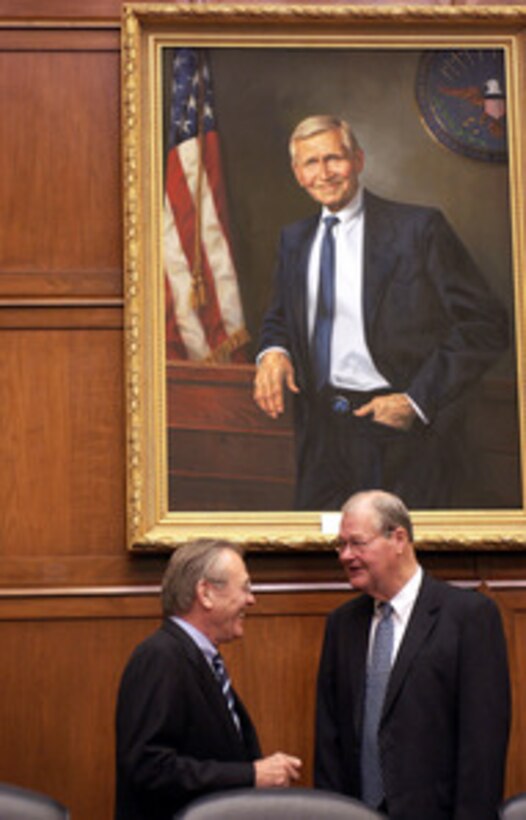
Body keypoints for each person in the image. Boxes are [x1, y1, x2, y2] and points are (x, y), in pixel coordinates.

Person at [254, 114, 509, 510]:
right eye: (311, 163)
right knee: (319, 558)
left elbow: (487, 325)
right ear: (297, 173)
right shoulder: (294, 240)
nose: (324, 173)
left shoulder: (418, 229)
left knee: (394, 559)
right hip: (320, 434)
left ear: (358, 159)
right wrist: (273, 351)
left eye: (333, 158)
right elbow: (281, 318)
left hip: (400, 434)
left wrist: (416, 401)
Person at [314, 489, 510, 819]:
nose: (345, 556)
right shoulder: (342, 624)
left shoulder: (468, 616)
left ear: (399, 538)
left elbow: (483, 745)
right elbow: (329, 739)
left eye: (357, 543)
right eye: (341, 545)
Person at [115, 539, 301, 820]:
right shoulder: (159, 657)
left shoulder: (197, 659)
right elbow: (149, 768)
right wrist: (249, 775)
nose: (251, 600)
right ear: (206, 593)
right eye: (245, 588)